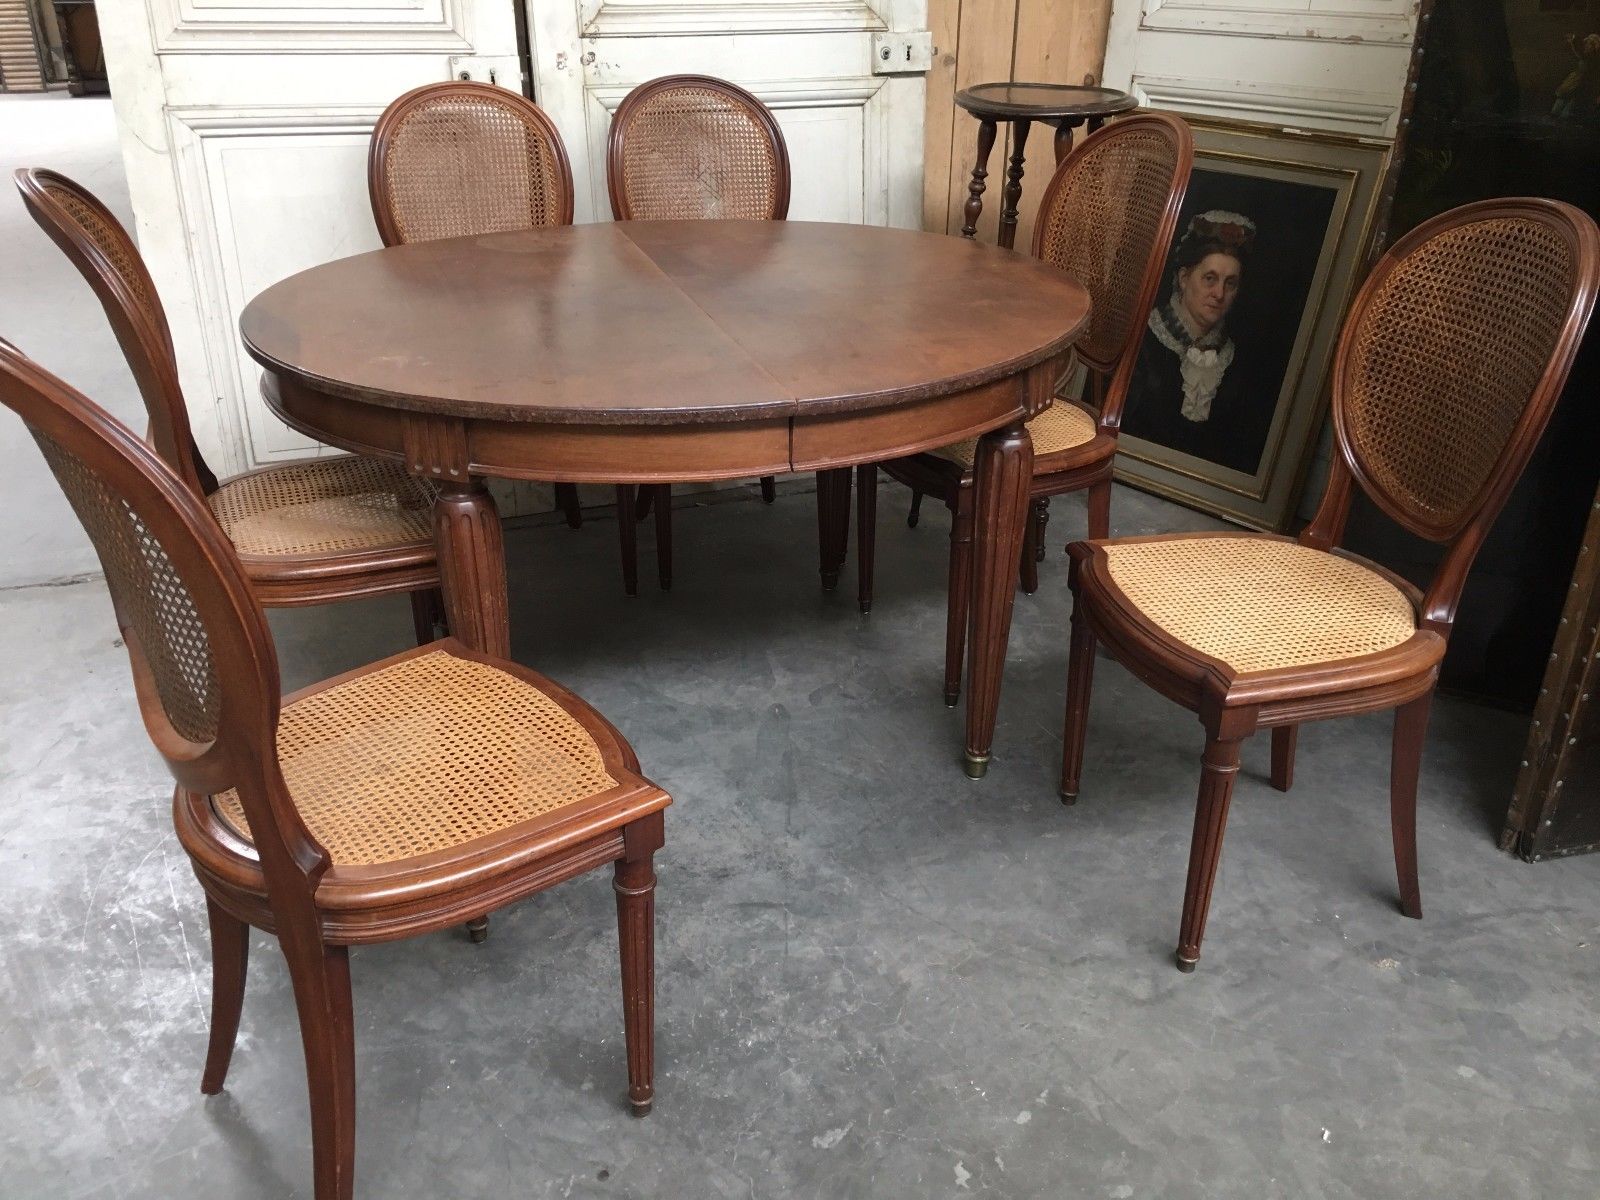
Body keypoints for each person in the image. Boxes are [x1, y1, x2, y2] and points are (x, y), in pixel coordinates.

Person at [1123, 210, 1265, 473]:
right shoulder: (1143, 341)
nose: (1219, 293)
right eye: (1209, 279)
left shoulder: (1235, 360)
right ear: (1184, 278)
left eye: (1230, 283)